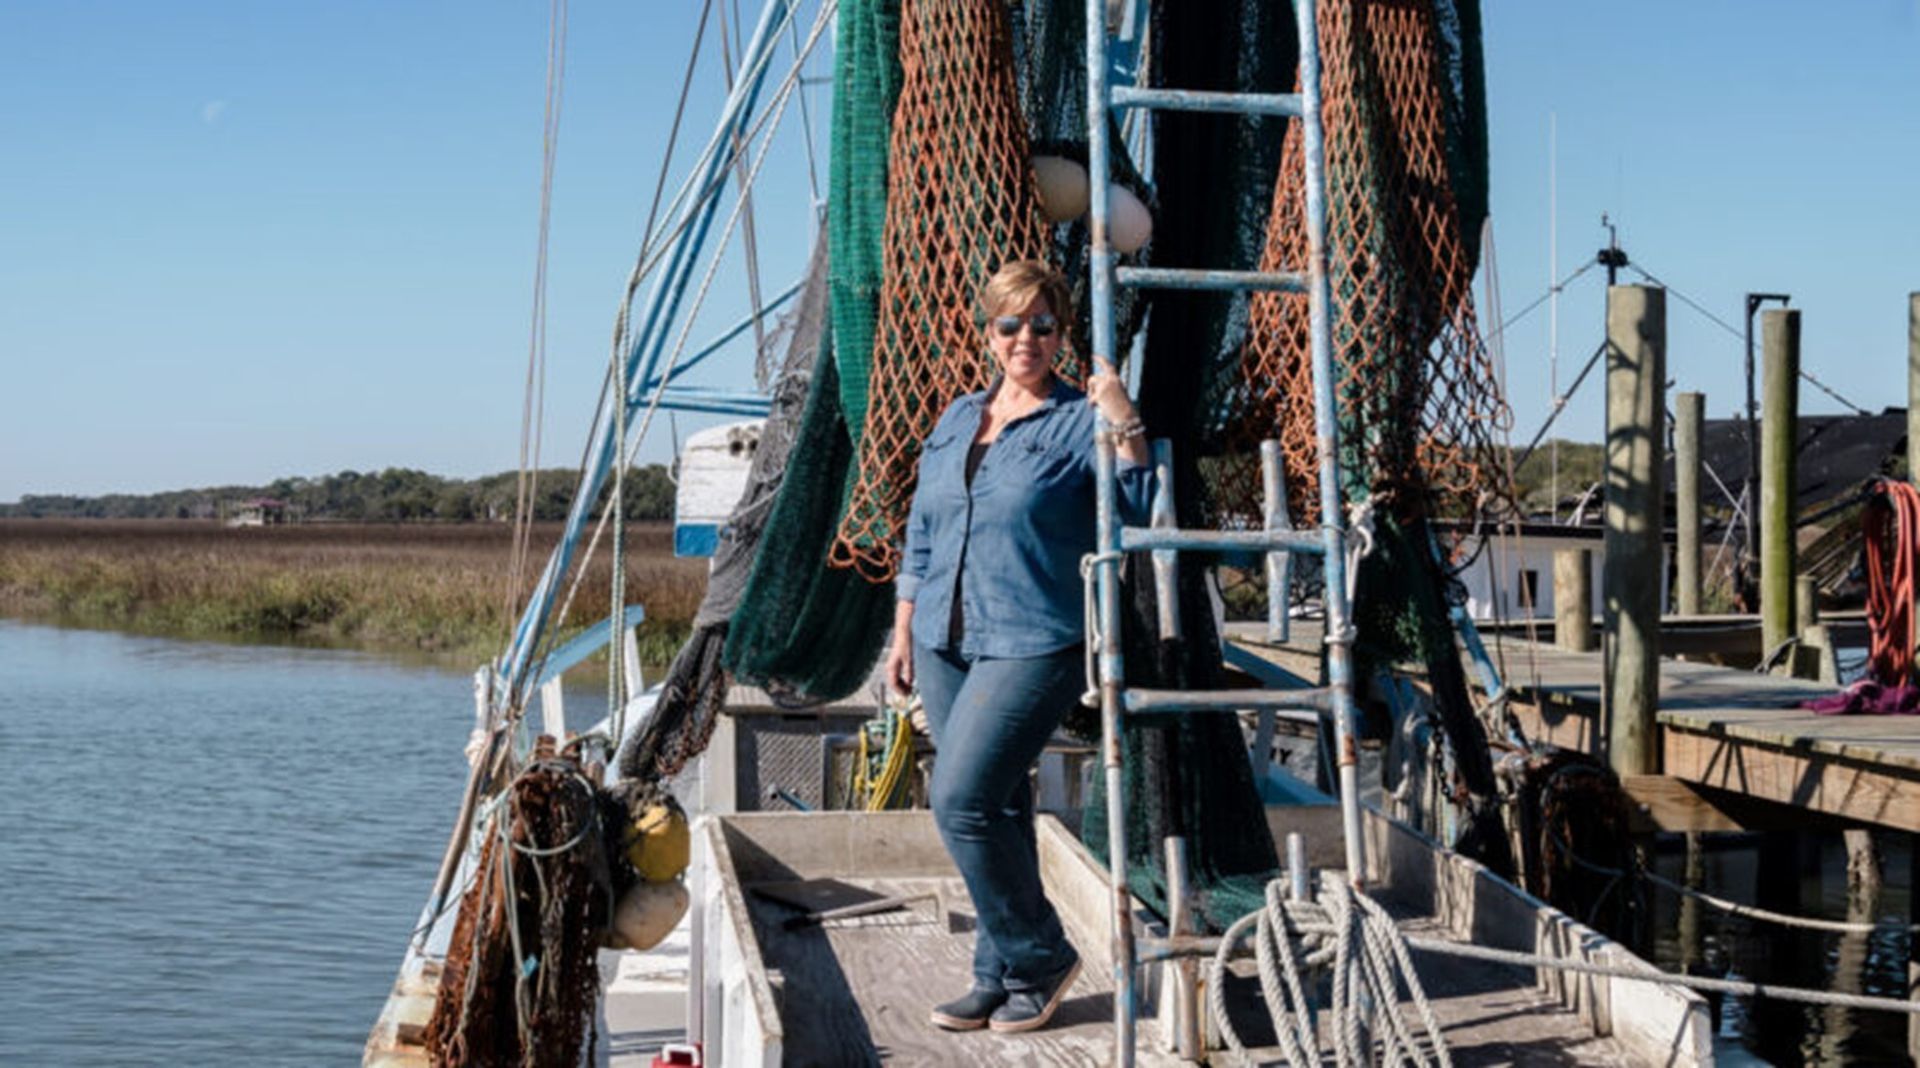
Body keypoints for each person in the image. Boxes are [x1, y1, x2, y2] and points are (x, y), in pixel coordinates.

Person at [886, 258, 1153, 1034]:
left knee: (960, 799)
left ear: (1061, 333)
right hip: (942, 636)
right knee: (998, 806)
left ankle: (1039, 956)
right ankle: (996, 974)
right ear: (989, 332)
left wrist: (1123, 416)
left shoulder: (1081, 419)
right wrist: (903, 629)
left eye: (1041, 324)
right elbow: (923, 534)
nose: (1025, 338)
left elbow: (1134, 507)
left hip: (1035, 638)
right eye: (1010, 324)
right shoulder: (955, 419)